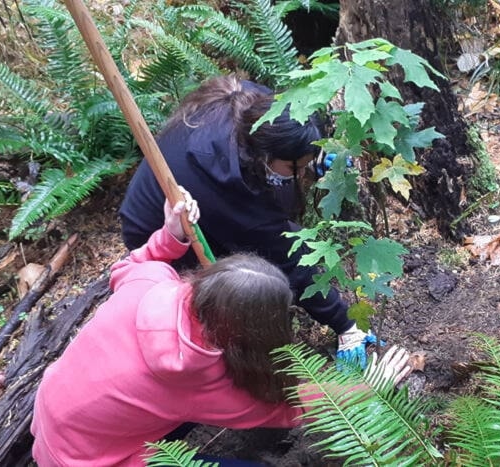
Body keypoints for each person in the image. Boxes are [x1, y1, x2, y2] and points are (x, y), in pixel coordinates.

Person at [31, 190, 412, 466]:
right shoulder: (198, 380)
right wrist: (367, 389)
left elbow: (128, 267)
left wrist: (171, 235)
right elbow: (285, 409)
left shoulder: (154, 285)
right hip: (86, 460)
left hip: (58, 414)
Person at [120, 74, 374, 367]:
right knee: (250, 282)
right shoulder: (228, 183)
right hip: (159, 233)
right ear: (265, 157)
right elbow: (287, 256)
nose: (303, 174)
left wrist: (315, 154)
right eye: (298, 167)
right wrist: (344, 323)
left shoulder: (255, 105)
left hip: (197, 203)